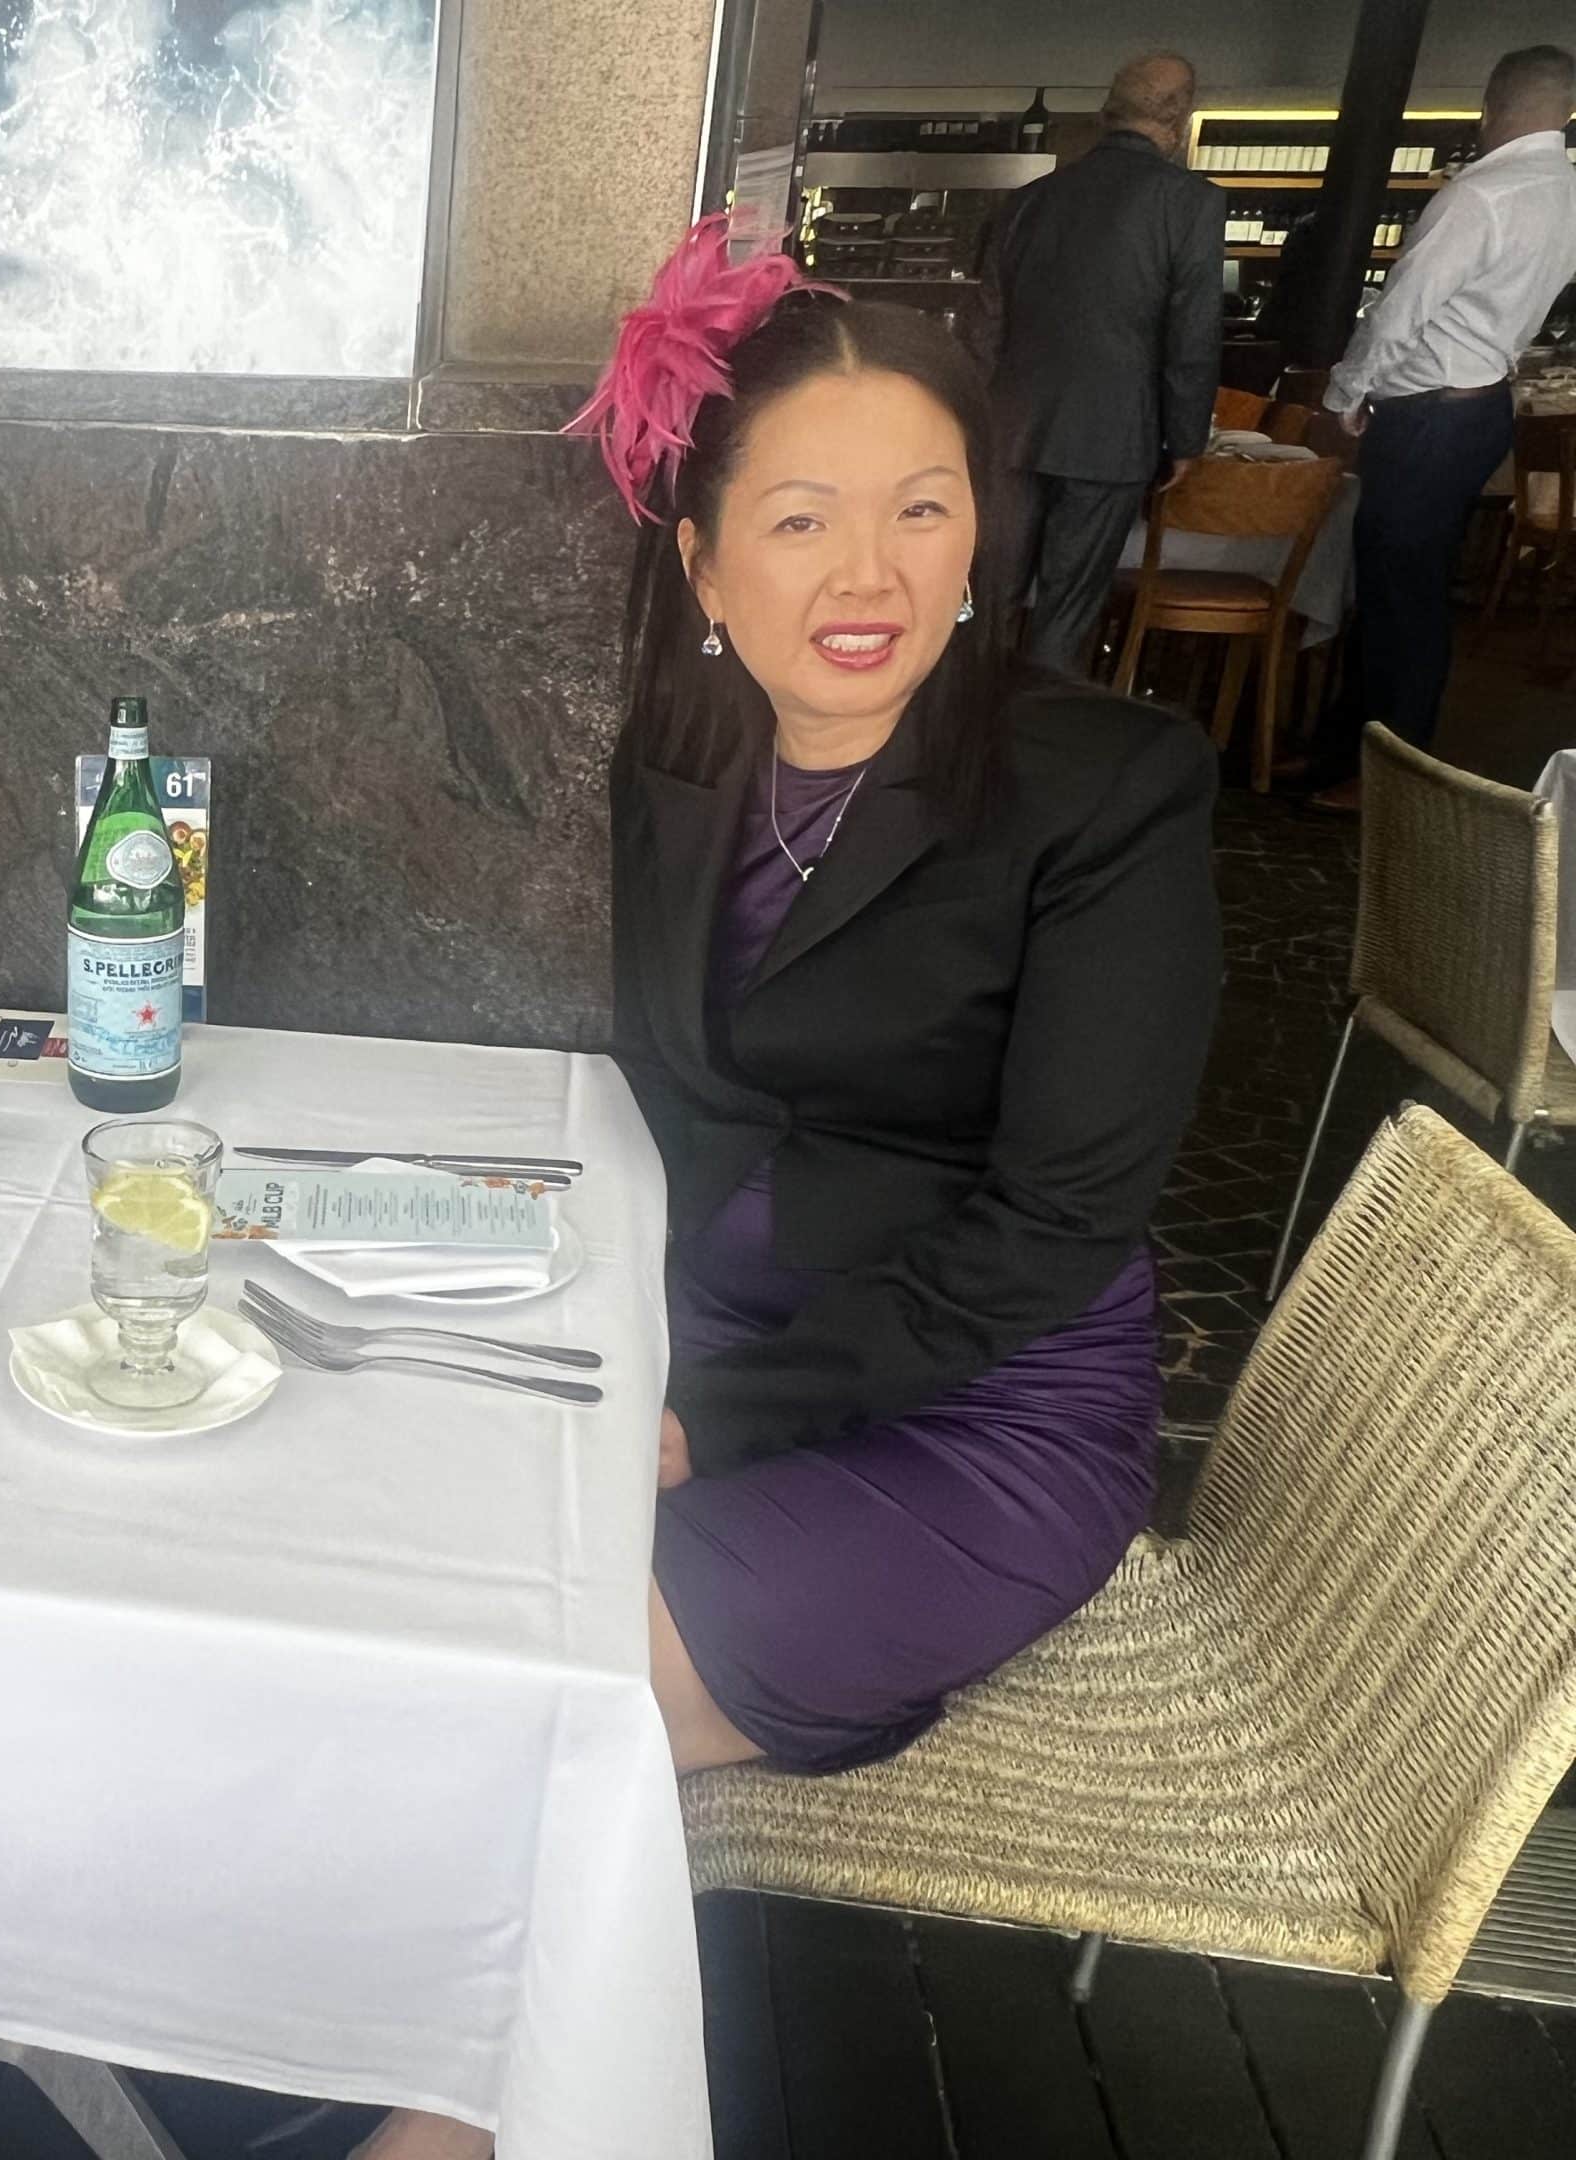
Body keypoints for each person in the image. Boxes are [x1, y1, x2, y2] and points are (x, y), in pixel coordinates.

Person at [350, 220, 1222, 2160]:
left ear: (984, 536)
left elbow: (1053, 1229)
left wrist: (700, 1418)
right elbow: (672, 1094)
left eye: (924, 510)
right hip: (695, 1342)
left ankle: (445, 2132)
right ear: (704, 562)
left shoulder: (1107, 791)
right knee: (395, 1577)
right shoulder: (690, 761)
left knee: (559, 1695)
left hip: (977, 1420)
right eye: (807, 519)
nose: (873, 572)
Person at [1310, 45, 1576, 811]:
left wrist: (1344, 394)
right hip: (1482, 406)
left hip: (1426, 414)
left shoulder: (1482, 194)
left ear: (1492, 105)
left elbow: (1400, 311)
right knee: (1409, 593)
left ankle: (1383, 776)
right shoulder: (1562, 191)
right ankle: (1348, 755)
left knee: (1398, 600)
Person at [975, 52, 1225, 673]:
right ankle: (1035, 745)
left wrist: (973, 420)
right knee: (1067, 607)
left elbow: (985, 324)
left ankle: (962, 734)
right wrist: (1186, 438)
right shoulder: (1191, 204)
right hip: (1112, 436)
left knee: (986, 598)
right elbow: (1191, 337)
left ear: (1105, 114)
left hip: (1009, 428)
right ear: (1180, 118)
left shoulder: (1030, 201)